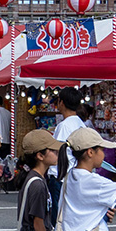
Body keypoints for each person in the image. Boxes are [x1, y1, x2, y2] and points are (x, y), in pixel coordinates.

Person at [46, 87, 86, 223]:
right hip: (74, 174)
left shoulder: (64, 126)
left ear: (61, 102)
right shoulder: (82, 125)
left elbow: (58, 150)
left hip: (60, 175)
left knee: (57, 214)